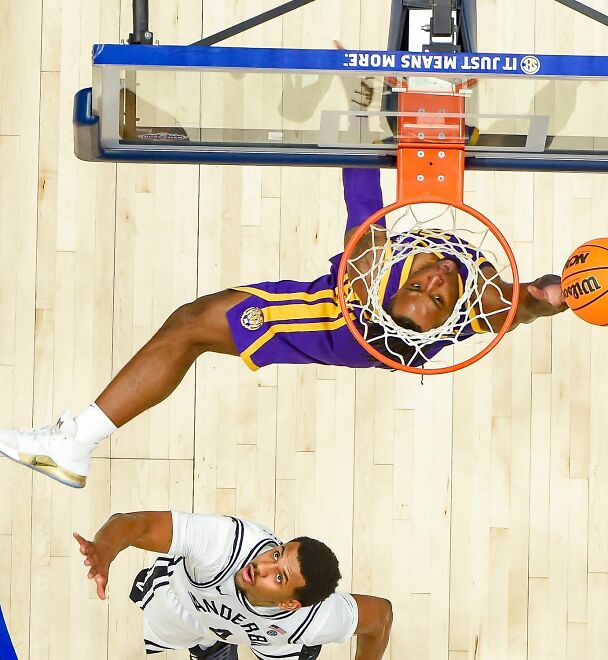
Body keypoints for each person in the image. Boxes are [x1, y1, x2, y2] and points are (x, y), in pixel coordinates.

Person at [0, 168, 567, 488]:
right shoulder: (472, 301)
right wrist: (561, 293)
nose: (435, 282)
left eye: (426, 293)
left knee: (192, 325)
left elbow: (363, 197)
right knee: (188, 324)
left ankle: (76, 441)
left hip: (330, 321)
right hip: (375, 335)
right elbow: (533, 302)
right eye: (427, 290)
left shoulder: (368, 275)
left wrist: (360, 102)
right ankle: (79, 439)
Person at [74, 510, 392, 659]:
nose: (262, 565)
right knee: (208, 644)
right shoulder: (225, 544)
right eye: (277, 553)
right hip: (196, 617)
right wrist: (106, 547)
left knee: (291, 644)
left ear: (290, 603)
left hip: (274, 639)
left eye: (279, 576)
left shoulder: (312, 618)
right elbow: (136, 525)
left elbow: (380, 617)